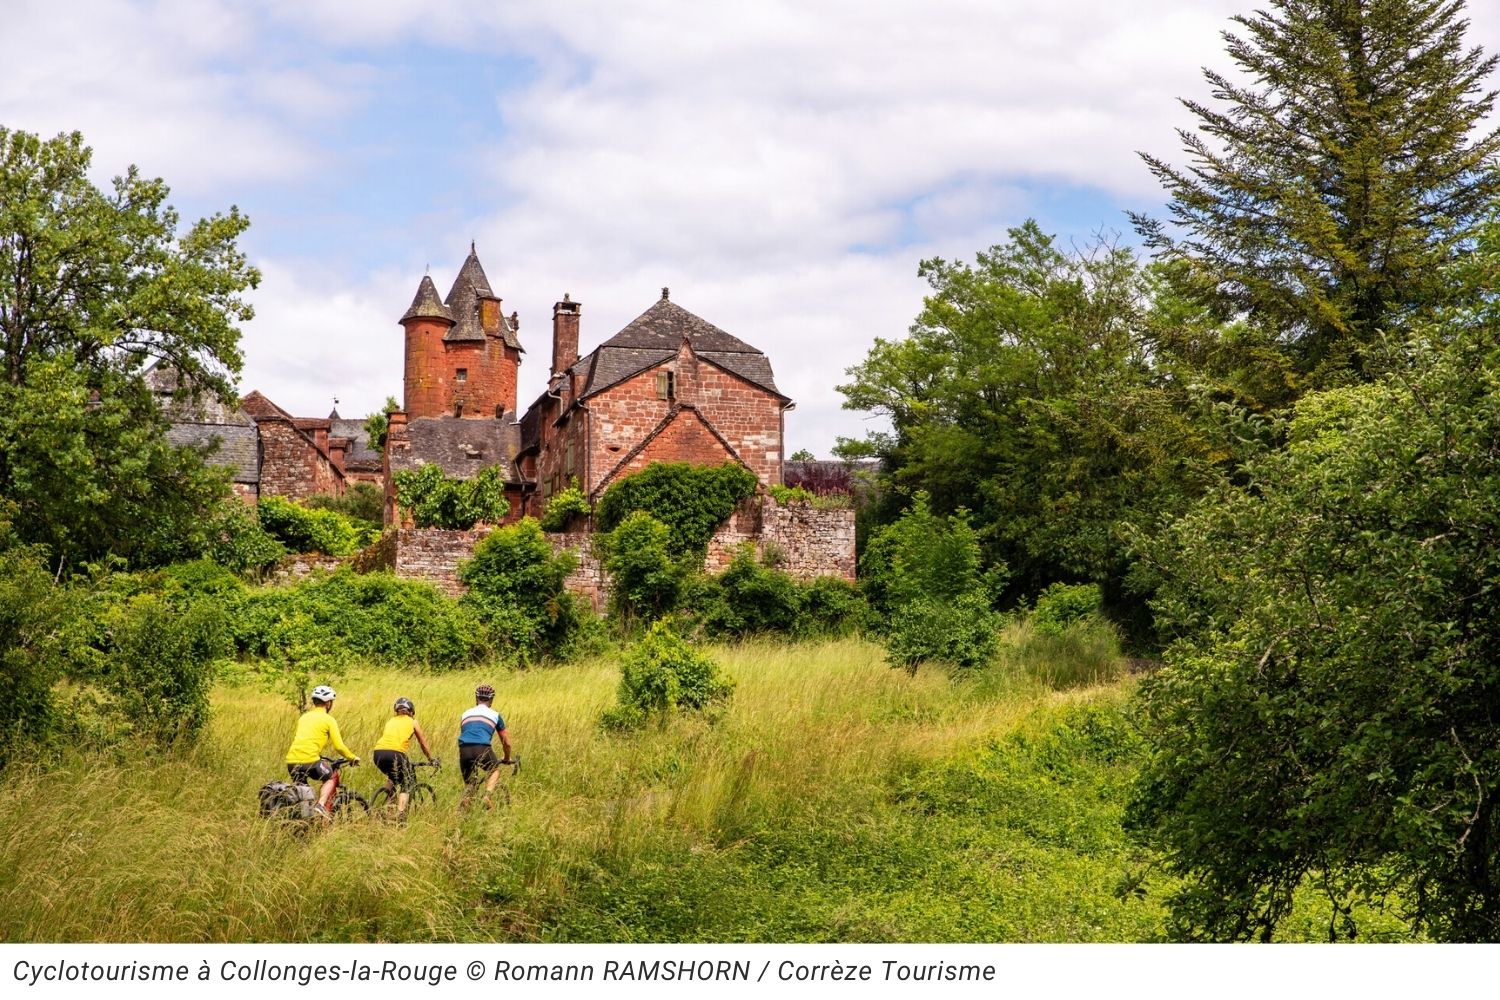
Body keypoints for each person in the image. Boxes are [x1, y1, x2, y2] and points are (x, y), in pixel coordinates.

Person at [284, 684, 359, 816]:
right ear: (329, 703)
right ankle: (320, 805)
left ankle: (306, 820)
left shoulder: (304, 717)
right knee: (331, 776)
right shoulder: (329, 720)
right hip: (310, 761)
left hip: (291, 762)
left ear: (314, 701)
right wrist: (352, 757)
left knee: (303, 796)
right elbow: (339, 746)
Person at [371, 696, 436, 821]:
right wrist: (431, 759)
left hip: (378, 753)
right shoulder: (413, 722)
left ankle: (385, 807)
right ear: (411, 712)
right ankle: (400, 814)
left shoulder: (390, 721)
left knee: (393, 777)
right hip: (396, 754)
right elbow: (423, 743)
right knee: (407, 782)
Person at [458, 682, 513, 809]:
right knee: (494, 770)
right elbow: (506, 742)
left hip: (464, 749)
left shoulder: (465, 713)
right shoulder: (495, 715)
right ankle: (487, 797)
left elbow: (466, 733)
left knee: (470, 785)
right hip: (481, 747)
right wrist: (506, 757)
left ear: (476, 698)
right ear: (491, 699)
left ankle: (464, 813)